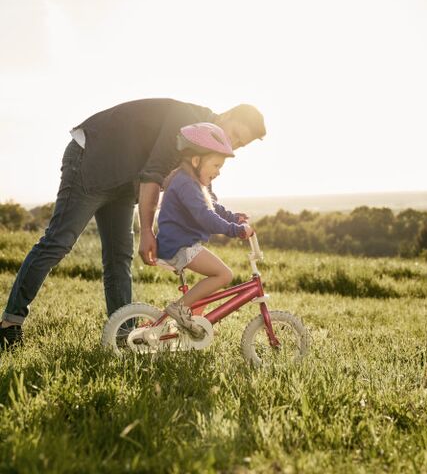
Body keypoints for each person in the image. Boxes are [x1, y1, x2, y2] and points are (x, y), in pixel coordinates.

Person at [1, 98, 265, 349]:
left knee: (118, 257)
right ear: (228, 114)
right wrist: (148, 231)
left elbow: (202, 188)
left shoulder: (204, 139)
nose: (232, 143)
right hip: (92, 158)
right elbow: (153, 173)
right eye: (235, 134)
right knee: (58, 242)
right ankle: (9, 324)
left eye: (239, 144)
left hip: (124, 182)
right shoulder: (187, 120)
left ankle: (124, 334)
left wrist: (230, 216)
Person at [156, 122, 254, 338]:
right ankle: (179, 309)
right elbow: (206, 217)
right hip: (179, 246)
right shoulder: (185, 184)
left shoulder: (192, 182)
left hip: (181, 243)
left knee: (209, 285)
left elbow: (213, 207)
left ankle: (189, 324)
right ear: (196, 160)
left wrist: (233, 217)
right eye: (216, 165)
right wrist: (235, 230)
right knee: (223, 274)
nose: (218, 172)